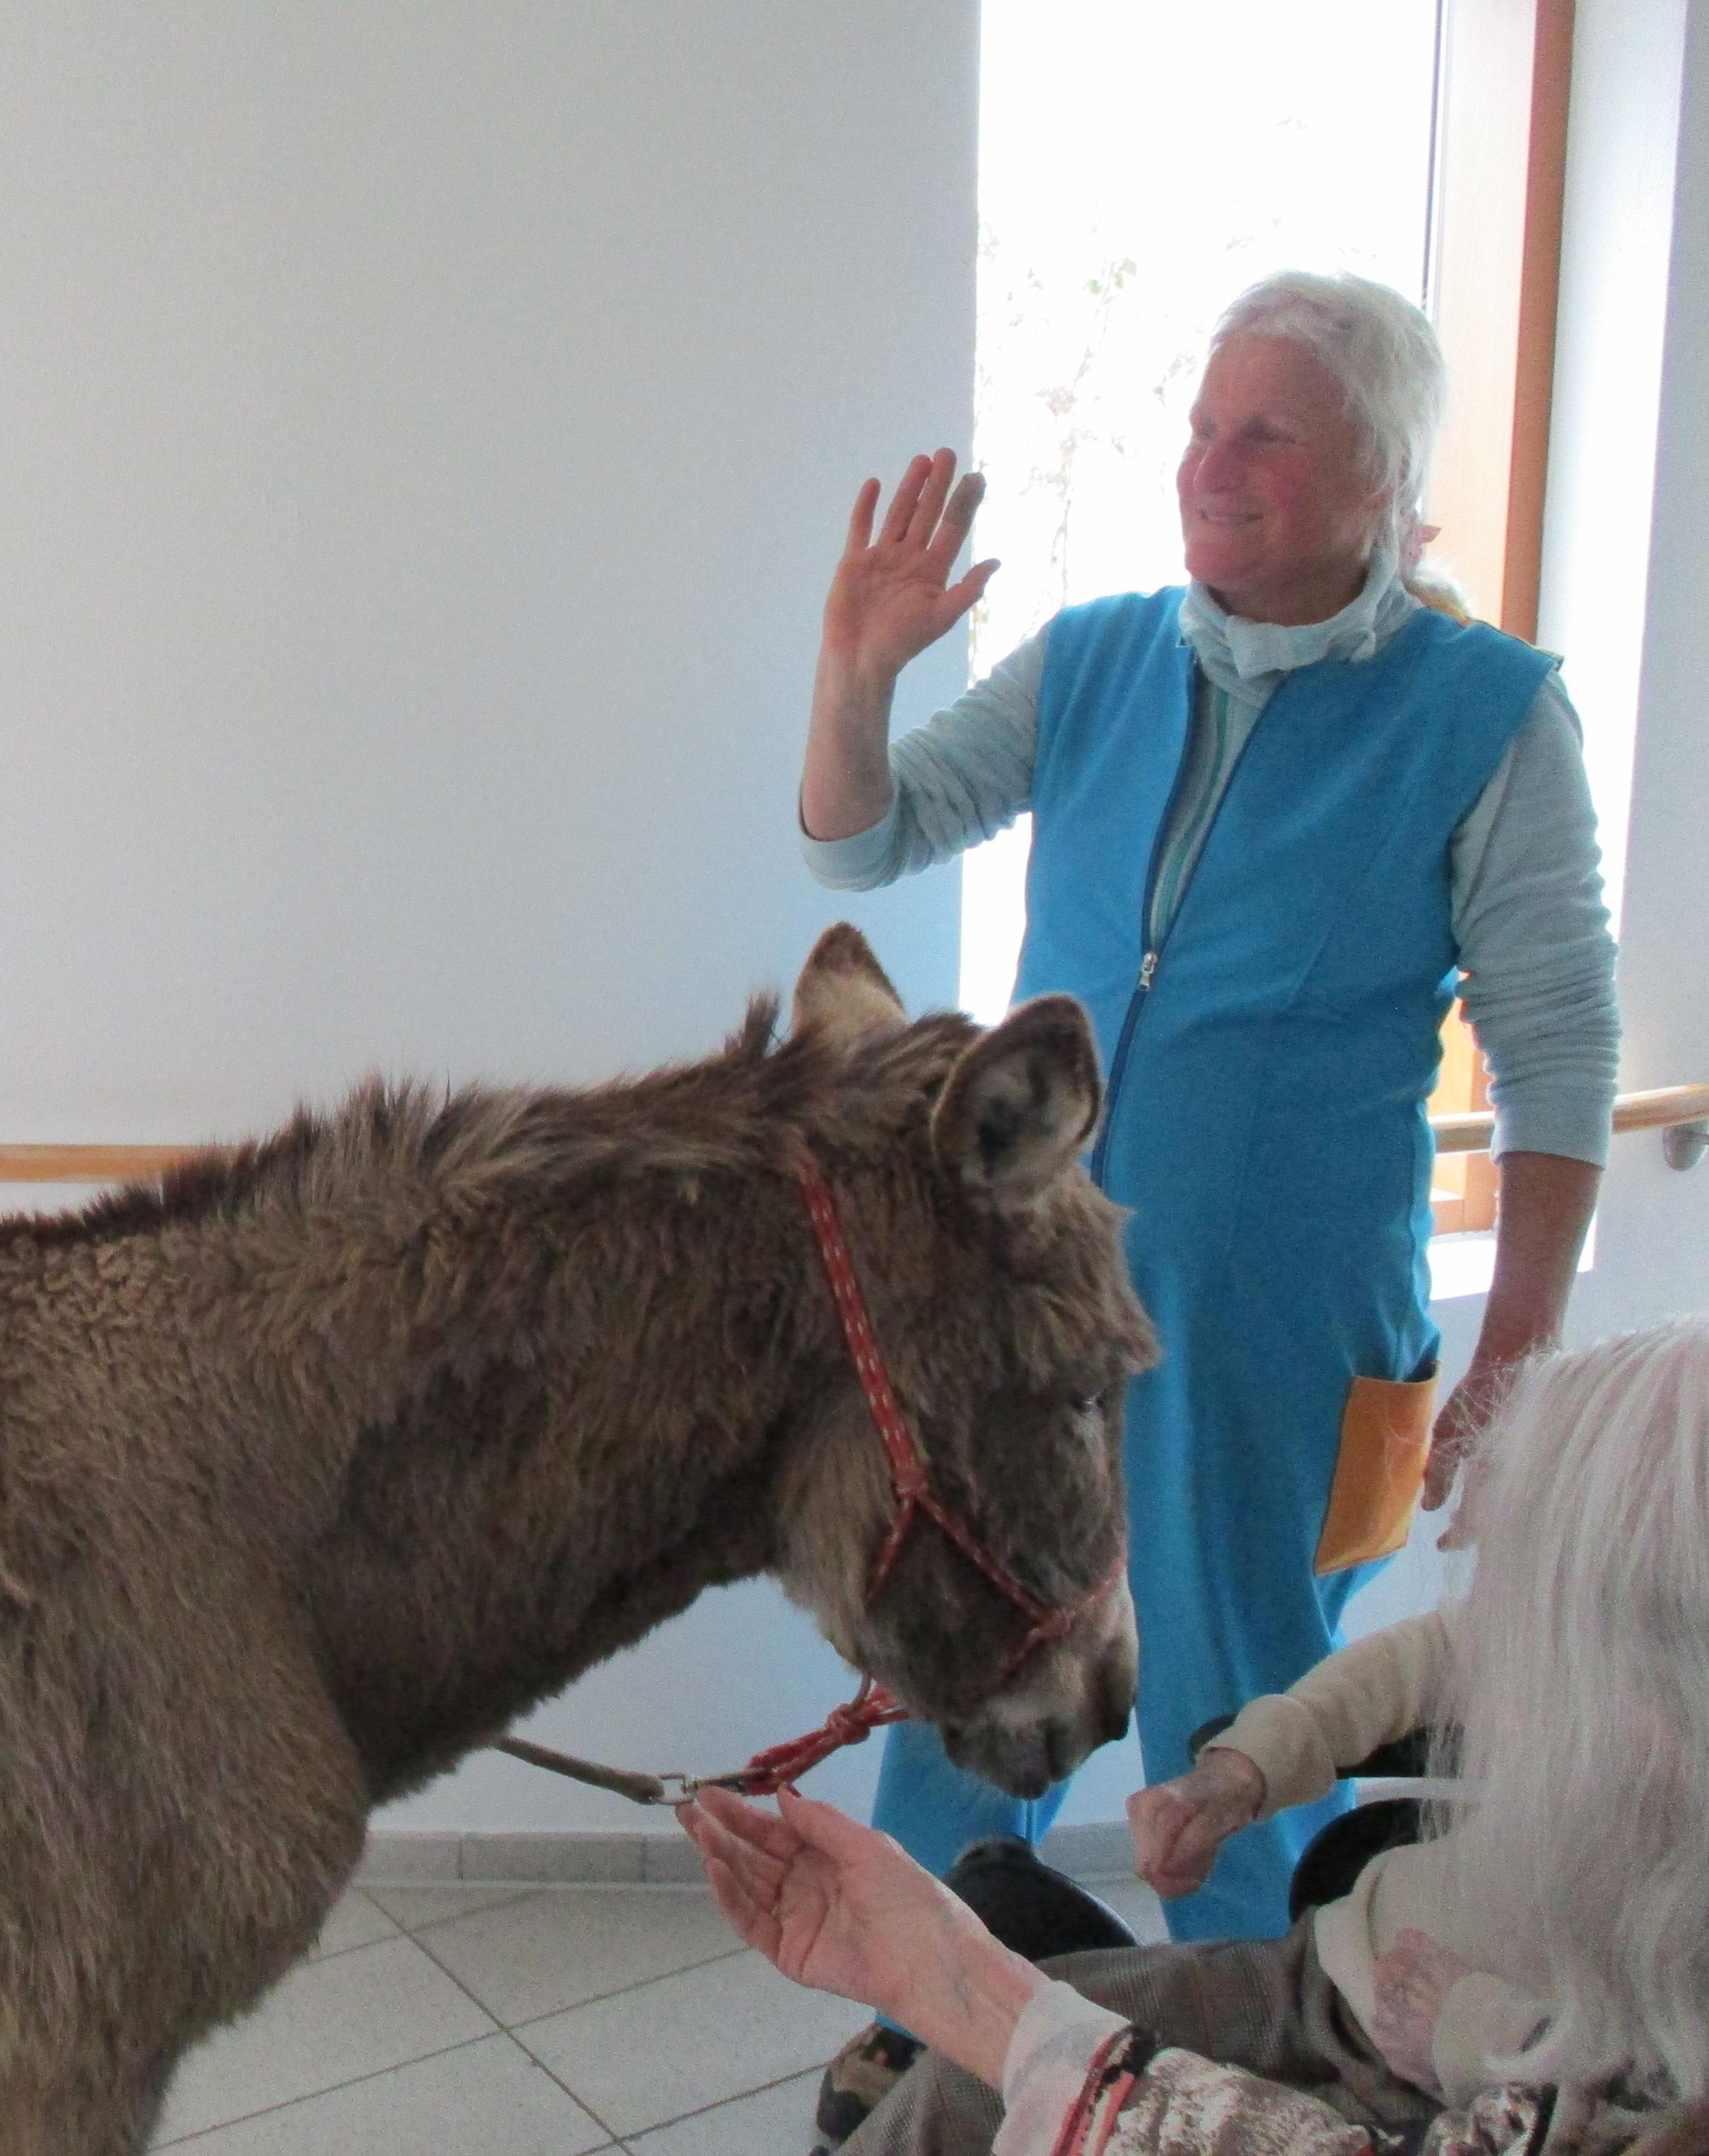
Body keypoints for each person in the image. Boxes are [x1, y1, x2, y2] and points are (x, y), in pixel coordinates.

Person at [796, 270, 1619, 2047]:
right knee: (971, 1686)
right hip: (1029, 1315)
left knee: (1243, 1729)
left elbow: (1560, 1055)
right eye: (1200, 425)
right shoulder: (1095, 661)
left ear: (1383, 479)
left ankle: (1272, 2070)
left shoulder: (1486, 716)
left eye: (1267, 435)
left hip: (1279, 1346)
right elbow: (862, 839)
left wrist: (1522, 1348)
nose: (1209, 465)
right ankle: (931, 2045)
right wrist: (856, 673)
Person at [685, 1318, 1709, 2156]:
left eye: (1535, 1602)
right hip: (1324, 1974)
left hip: (1420, 2065)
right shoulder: (1622, 1704)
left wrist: (1475, 2033)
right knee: (989, 2050)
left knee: (980, 2080)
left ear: (1658, 1684)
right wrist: (1238, 1774)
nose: (1508, 1642)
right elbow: (1434, 1653)